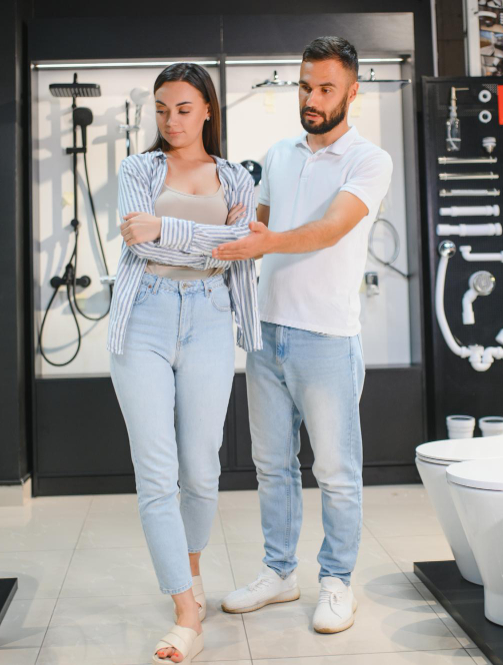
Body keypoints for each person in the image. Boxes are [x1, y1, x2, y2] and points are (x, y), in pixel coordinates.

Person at [212, 36, 393, 634]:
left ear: (352, 91)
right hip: (266, 334)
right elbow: (255, 222)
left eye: (325, 89)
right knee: (272, 465)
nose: (312, 99)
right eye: (305, 86)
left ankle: (337, 582)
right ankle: (279, 573)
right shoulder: (280, 151)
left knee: (336, 471)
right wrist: (214, 229)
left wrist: (264, 241)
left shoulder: (369, 160)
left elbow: (330, 229)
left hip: (326, 338)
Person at [109, 62, 261, 664]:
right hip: (142, 318)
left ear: (207, 112)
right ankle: (186, 612)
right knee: (157, 474)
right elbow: (139, 243)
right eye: (162, 108)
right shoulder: (137, 169)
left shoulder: (236, 178)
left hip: (207, 319)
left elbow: (240, 248)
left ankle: (190, 573)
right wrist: (207, 239)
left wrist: (171, 227)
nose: (171, 120)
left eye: (183, 108)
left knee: (201, 471)